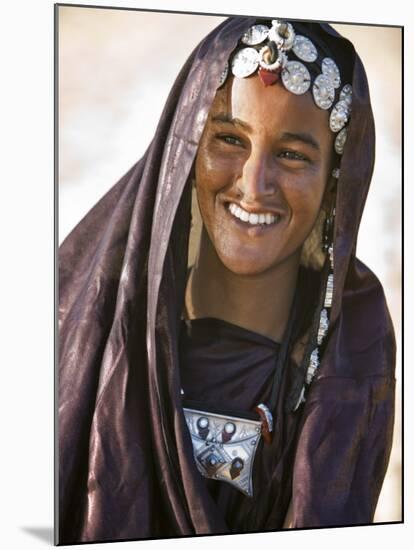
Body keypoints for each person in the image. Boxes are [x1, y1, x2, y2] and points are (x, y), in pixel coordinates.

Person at [58, 16, 396, 544]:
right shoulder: (87, 325)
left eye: (291, 154)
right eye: (230, 140)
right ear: (185, 151)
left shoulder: (352, 344)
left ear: (336, 181)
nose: (253, 184)